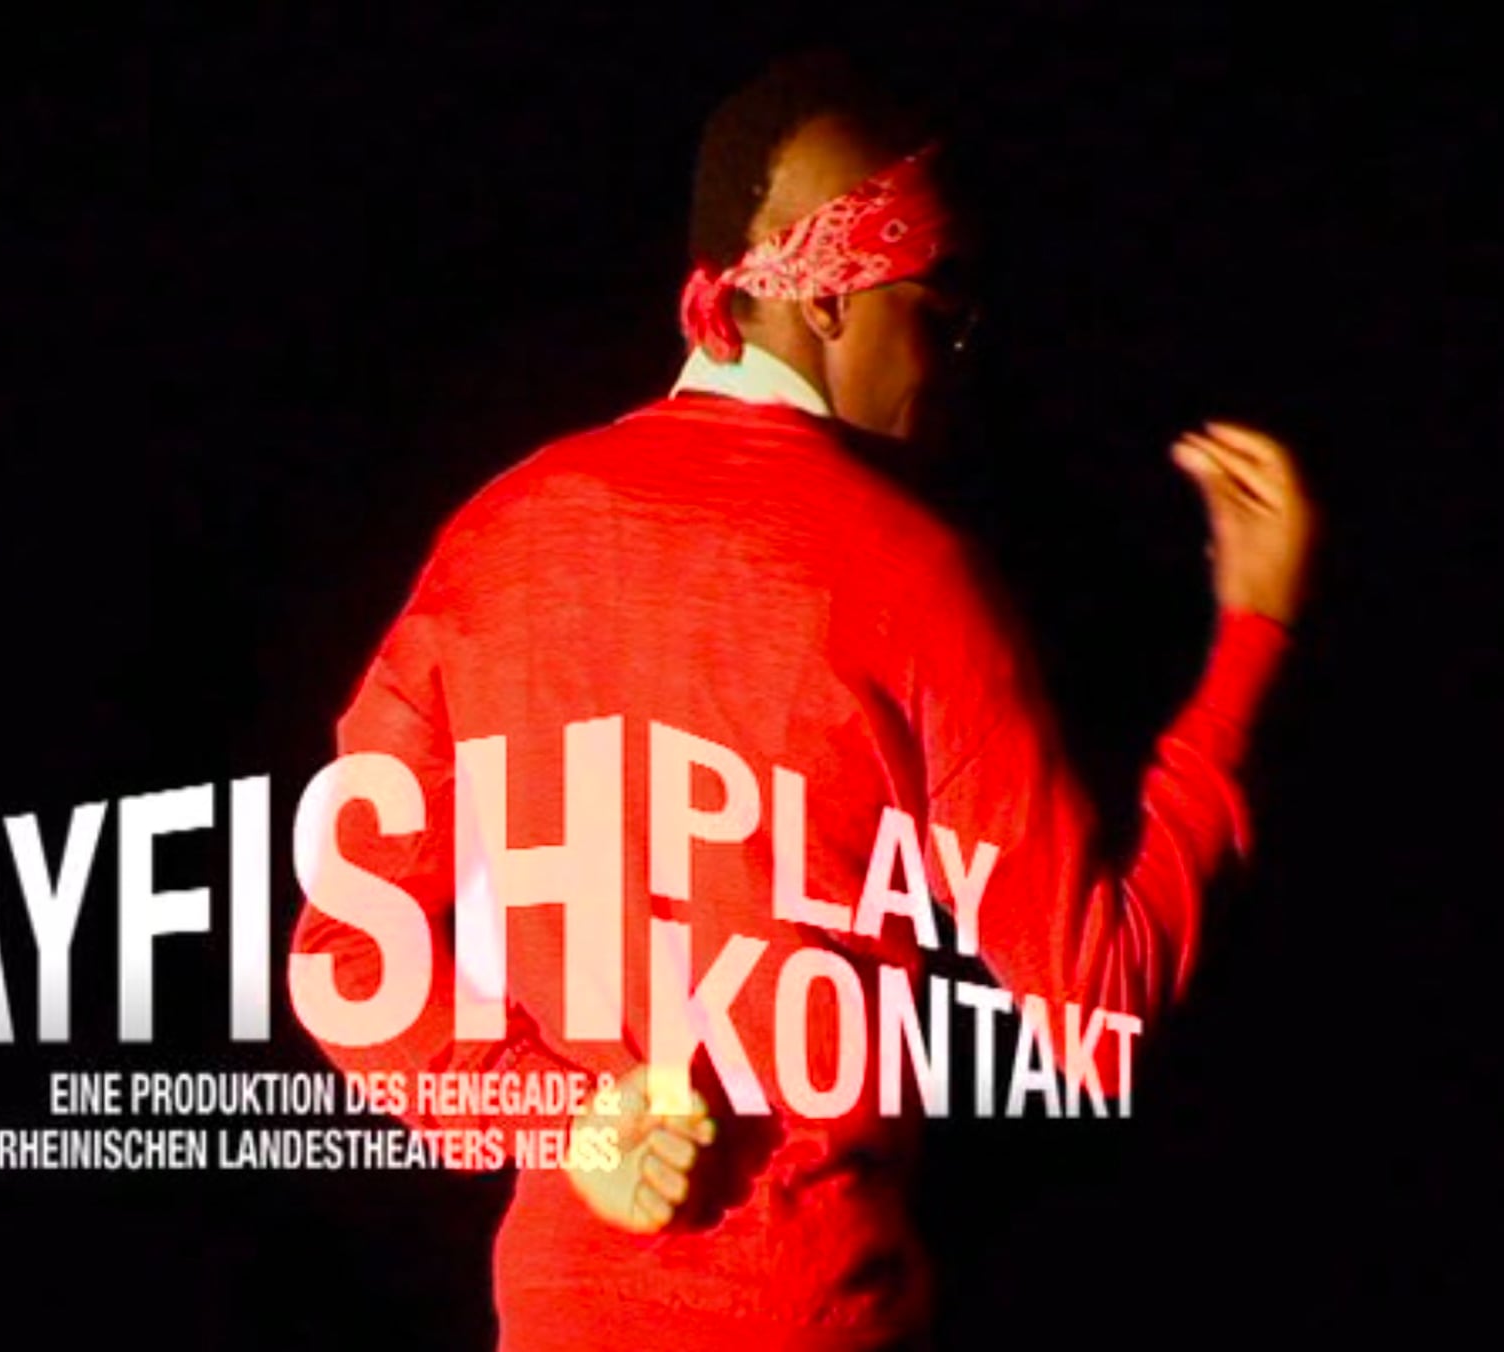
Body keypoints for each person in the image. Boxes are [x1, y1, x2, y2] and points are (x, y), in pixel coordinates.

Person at [289, 49, 1316, 1351]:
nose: (954, 363)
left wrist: (568, 1123)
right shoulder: (909, 571)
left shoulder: (497, 540)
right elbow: (1095, 1001)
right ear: (828, 296)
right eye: (940, 310)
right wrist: (1253, 641)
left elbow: (347, 956)